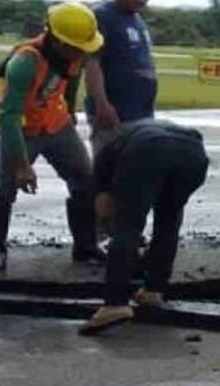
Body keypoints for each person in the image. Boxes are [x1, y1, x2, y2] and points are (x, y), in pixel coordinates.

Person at [0, 2, 106, 273]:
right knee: (6, 188)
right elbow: (9, 116)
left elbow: (73, 78)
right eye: (76, 47)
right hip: (21, 128)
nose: (81, 53)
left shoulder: (73, 55)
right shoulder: (25, 62)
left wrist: (70, 112)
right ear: (57, 41)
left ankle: (86, 246)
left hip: (56, 123)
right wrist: (23, 165)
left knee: (84, 179)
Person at [80, 120, 209, 335]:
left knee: (128, 227)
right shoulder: (126, 137)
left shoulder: (102, 167)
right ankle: (154, 289)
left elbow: (105, 207)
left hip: (148, 151)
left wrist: (109, 218)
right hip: (193, 156)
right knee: (168, 220)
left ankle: (115, 303)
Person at [84, 0, 156, 156]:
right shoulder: (102, 16)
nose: (141, 0)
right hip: (115, 114)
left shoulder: (137, 20)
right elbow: (92, 63)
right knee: (109, 170)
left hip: (140, 113)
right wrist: (102, 105)